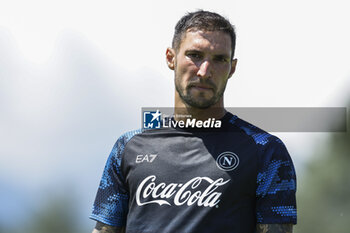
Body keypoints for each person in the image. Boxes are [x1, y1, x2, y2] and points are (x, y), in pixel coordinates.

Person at [90, 10, 297, 233]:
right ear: (171, 58)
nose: (205, 71)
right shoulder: (128, 147)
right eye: (195, 55)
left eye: (219, 59)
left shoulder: (265, 151)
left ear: (232, 69)